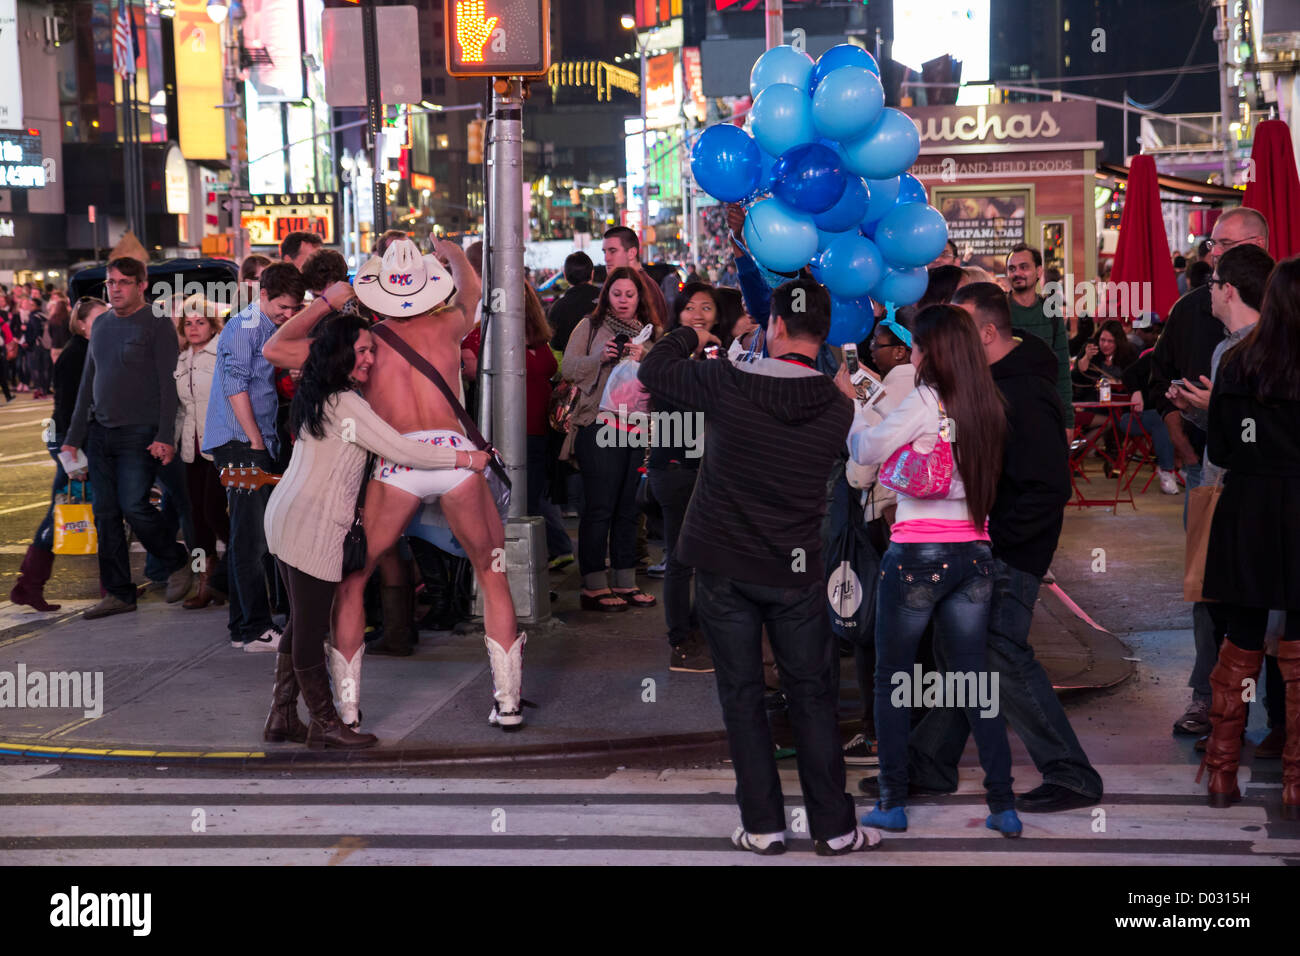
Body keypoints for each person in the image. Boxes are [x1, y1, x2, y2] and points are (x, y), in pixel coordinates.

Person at [639, 277, 882, 856]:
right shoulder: (838, 406)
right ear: (823, 334)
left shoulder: (728, 381)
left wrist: (692, 332)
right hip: (796, 571)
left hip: (723, 565)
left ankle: (765, 827)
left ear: (773, 327)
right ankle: (836, 829)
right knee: (814, 697)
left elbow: (654, 371)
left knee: (742, 695)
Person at [263, 239, 526, 732]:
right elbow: (470, 289)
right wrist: (451, 252)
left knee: (353, 581)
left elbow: (275, 348)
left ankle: (347, 711)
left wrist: (325, 301)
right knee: (493, 575)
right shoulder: (449, 324)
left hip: (397, 460)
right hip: (454, 457)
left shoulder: (363, 340)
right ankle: (508, 703)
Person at [883, 282, 1103, 812]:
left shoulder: (1022, 393)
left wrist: (996, 545)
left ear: (984, 332)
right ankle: (930, 764)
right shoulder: (984, 384)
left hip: (1005, 552)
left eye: (959, 325)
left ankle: (1071, 773)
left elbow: (1046, 487)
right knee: (964, 656)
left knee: (997, 654)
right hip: (976, 546)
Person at [839, 303, 1021, 838]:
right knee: (974, 681)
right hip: (975, 555)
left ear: (931, 351)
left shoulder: (924, 400)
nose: (911, 353)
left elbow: (865, 449)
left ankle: (893, 801)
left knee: (893, 680)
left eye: (915, 345)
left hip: (918, 555)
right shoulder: (990, 402)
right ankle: (1003, 805)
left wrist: (856, 408)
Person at [1150, 207, 1270, 739]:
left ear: (1259, 247)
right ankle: (1210, 701)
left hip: (1265, 482)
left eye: (1224, 245)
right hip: (1210, 473)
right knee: (1206, 592)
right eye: (1211, 244)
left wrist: (1217, 410)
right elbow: (1160, 374)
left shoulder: (1282, 317)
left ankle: (1271, 716)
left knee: (1267, 598)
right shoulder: (1194, 312)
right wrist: (1184, 432)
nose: (1211, 255)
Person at [1194, 255, 1300, 817]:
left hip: (1248, 511)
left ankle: (1220, 769)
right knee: (1299, 648)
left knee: (1240, 640)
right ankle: (1295, 782)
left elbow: (1224, 450)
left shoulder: (1237, 362)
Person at [62, 259, 195, 619]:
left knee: (134, 505)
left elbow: (169, 385)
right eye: (111, 282)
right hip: (100, 434)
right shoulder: (102, 325)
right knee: (105, 514)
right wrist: (73, 438)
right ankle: (119, 593)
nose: (115, 289)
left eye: (123, 282)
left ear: (141, 284)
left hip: (141, 432)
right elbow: (88, 384)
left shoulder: (157, 323)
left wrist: (165, 435)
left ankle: (176, 559)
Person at [203, 262, 306, 650]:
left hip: (248, 440)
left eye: (295, 308)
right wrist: (256, 443)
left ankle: (242, 627)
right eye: (283, 307)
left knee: (246, 537)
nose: (289, 315)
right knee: (251, 542)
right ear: (263, 295)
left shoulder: (264, 326)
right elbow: (234, 387)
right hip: (240, 442)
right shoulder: (245, 326)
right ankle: (254, 629)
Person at [838, 313, 918, 764]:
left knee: (876, 631)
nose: (872, 351)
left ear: (903, 351)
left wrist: (853, 405)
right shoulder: (928, 388)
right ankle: (916, 730)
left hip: (886, 525)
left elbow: (860, 466)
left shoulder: (896, 391)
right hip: (933, 530)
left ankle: (877, 736)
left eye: (881, 345)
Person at [560, 266, 660, 613]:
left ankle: (625, 580)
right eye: (616, 294)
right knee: (599, 507)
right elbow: (569, 368)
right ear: (607, 296)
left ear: (638, 299)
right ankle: (593, 584)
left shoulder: (648, 334)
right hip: (598, 425)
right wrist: (598, 358)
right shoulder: (589, 327)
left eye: (629, 295)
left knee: (629, 509)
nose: (622, 300)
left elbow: (663, 375)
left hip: (636, 427)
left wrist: (644, 357)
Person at [10, 297, 109, 611]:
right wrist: (71, 456)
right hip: (71, 442)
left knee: (71, 509)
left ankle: (29, 584)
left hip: (76, 441)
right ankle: (113, 586)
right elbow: (65, 409)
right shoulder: (75, 356)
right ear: (80, 324)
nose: (106, 325)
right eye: (98, 320)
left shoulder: (92, 350)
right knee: (93, 510)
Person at [644, 282, 720, 674]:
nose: (699, 314)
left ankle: (701, 628)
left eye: (707, 308)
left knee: (708, 559)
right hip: (675, 470)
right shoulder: (668, 359)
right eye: (690, 308)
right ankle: (681, 638)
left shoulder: (719, 358)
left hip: (709, 472)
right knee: (680, 558)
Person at [173, 294, 229, 610]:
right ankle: (204, 582)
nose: (194, 328)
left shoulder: (222, 353)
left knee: (214, 512)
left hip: (218, 445)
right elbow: (181, 410)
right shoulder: (182, 360)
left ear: (212, 325)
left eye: (201, 322)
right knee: (196, 521)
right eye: (189, 323)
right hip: (190, 449)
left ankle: (235, 572)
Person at [1006, 243, 1074, 432]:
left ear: (1038, 271)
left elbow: (1062, 369)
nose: (1017, 273)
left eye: (1024, 267)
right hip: (1005, 412)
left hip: (1044, 410)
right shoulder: (998, 311)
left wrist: (1067, 420)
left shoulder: (1051, 312)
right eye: (1012, 269)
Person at [602, 226, 669, 330]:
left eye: (613, 251)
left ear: (631, 253)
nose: (606, 258)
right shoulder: (643, 282)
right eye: (604, 252)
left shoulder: (643, 286)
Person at [548, 252, 600, 354]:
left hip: (572, 365)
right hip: (606, 365)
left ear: (565, 277)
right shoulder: (606, 298)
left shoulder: (558, 307)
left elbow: (555, 343)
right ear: (592, 274)